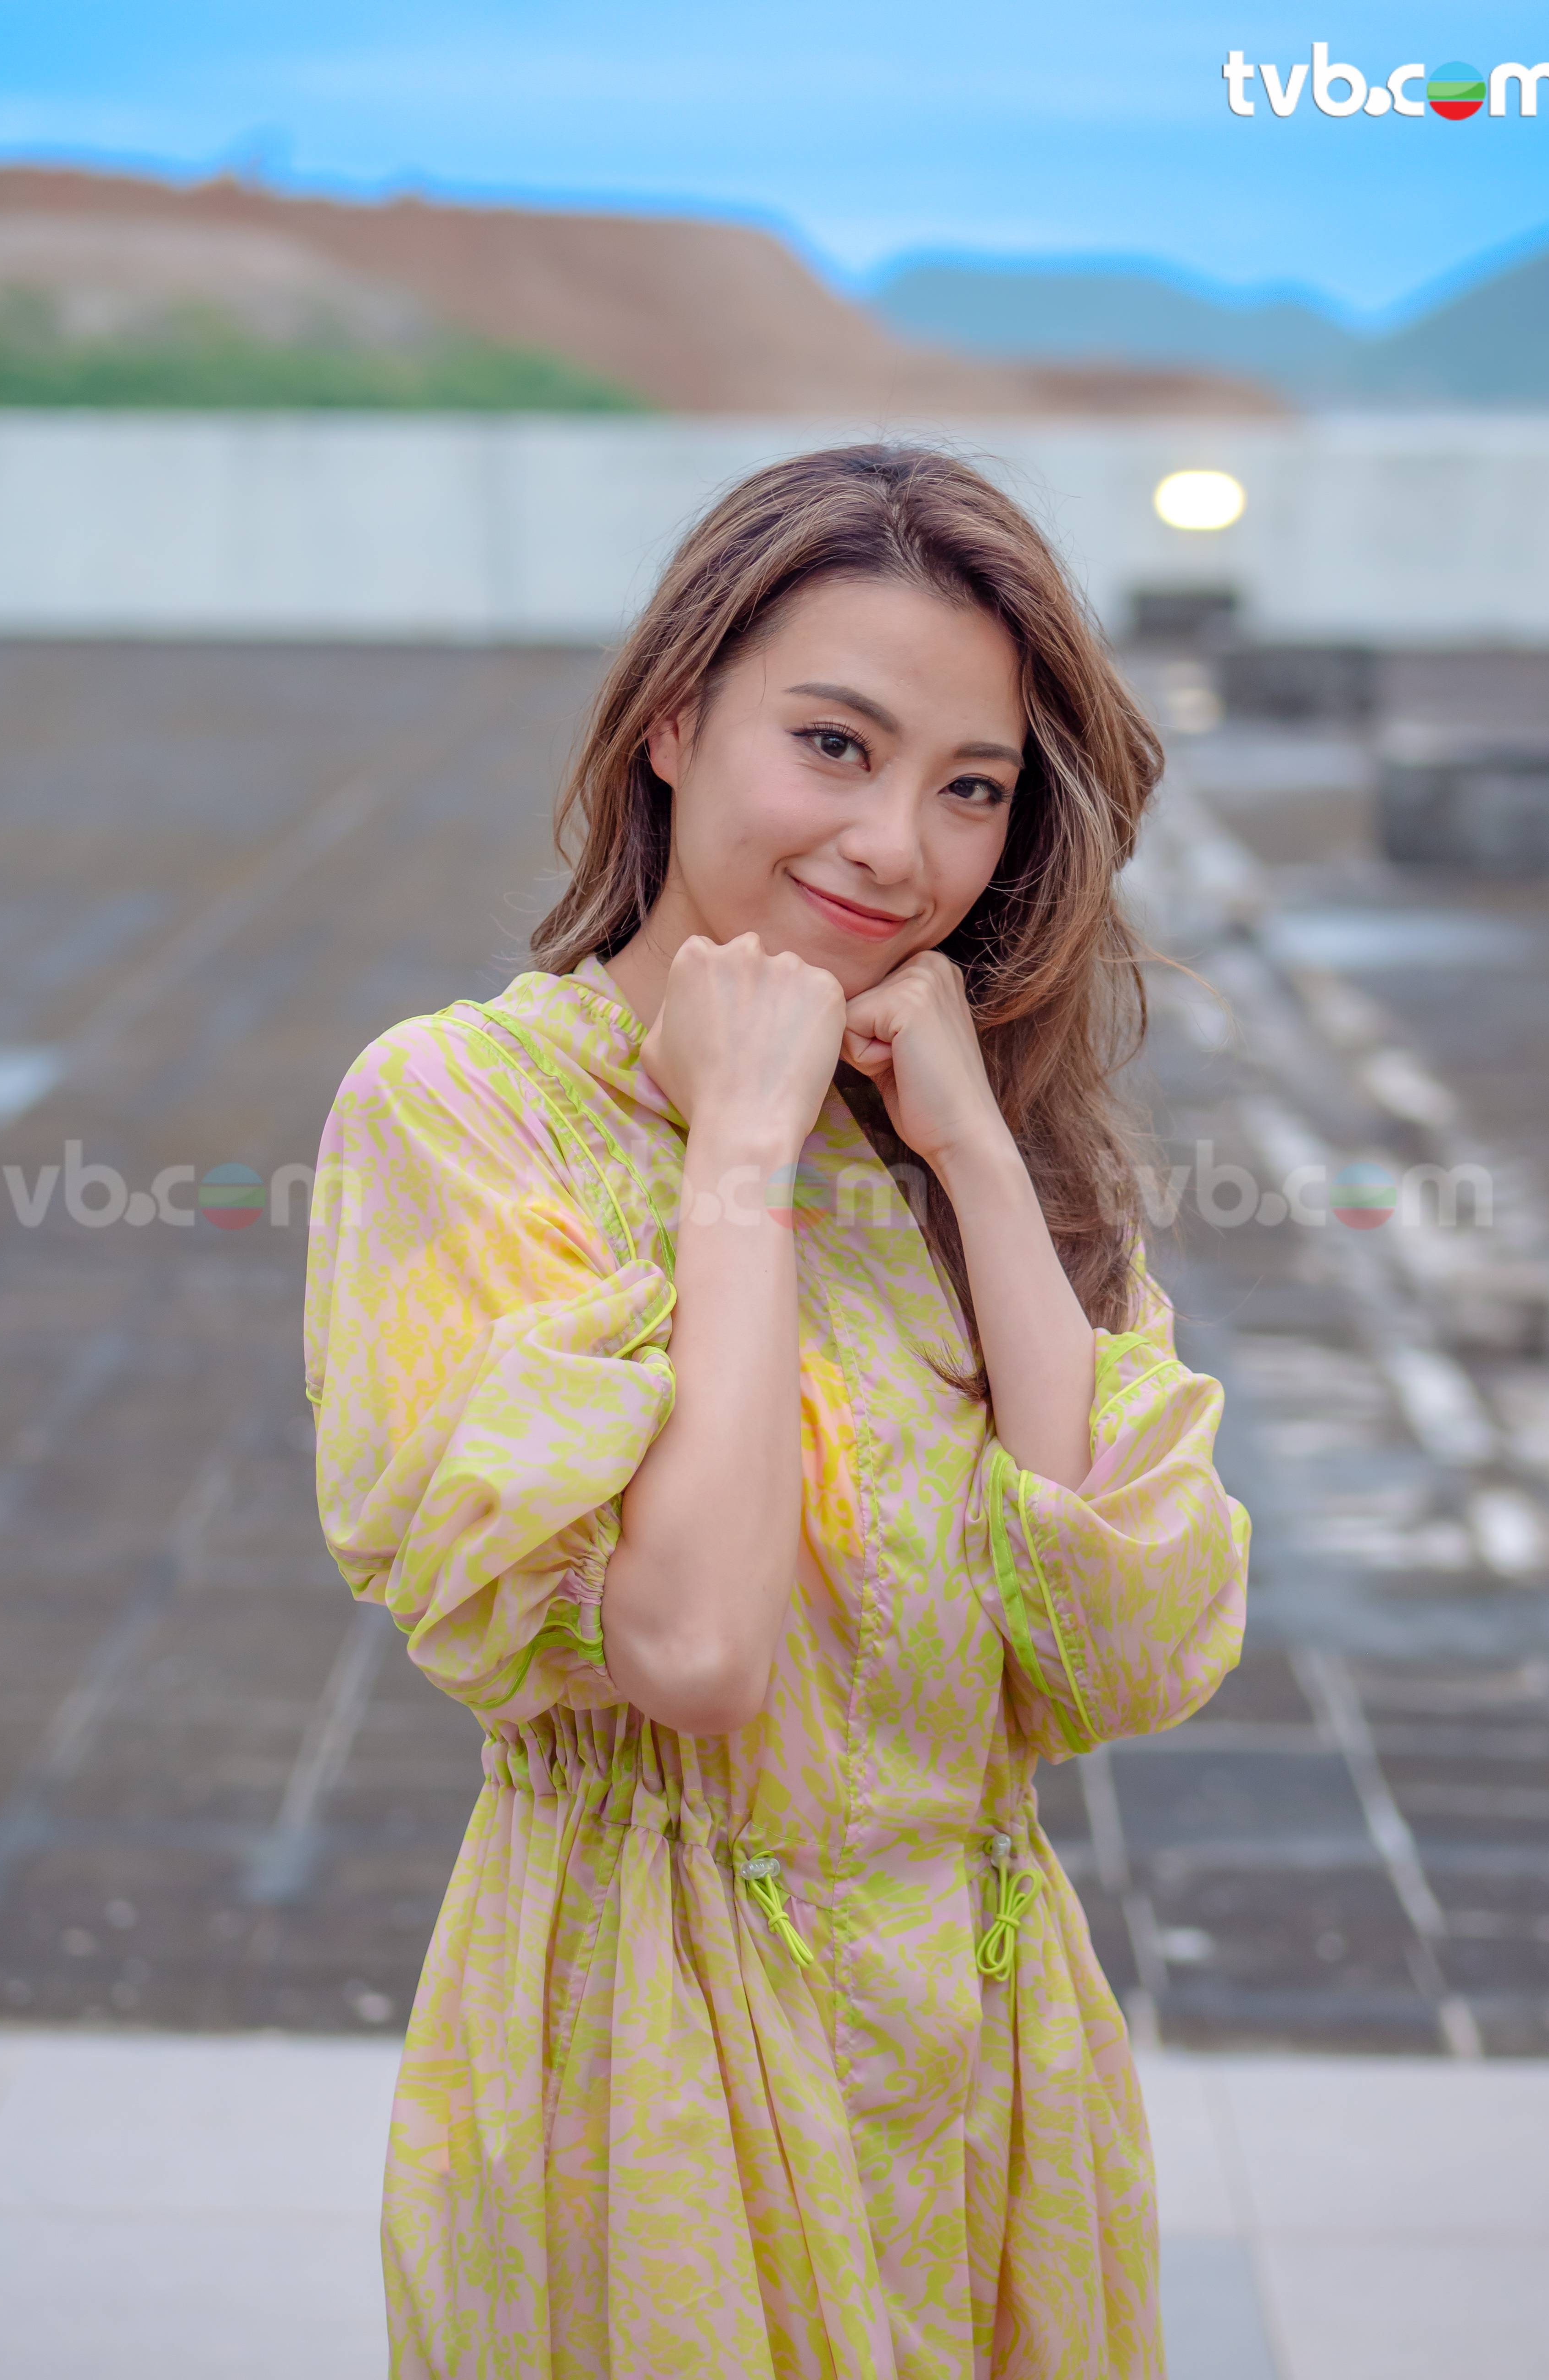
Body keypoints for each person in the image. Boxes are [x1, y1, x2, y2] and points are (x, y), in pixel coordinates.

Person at [306, 444, 1250, 2379]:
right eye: (834, 745)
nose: (899, 847)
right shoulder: (463, 1114)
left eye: (971, 787)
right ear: (674, 721)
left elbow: (1116, 1650)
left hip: (991, 2063)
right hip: (659, 2061)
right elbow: (692, 1652)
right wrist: (737, 1159)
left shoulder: (963, 1125)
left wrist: (980, 1158)